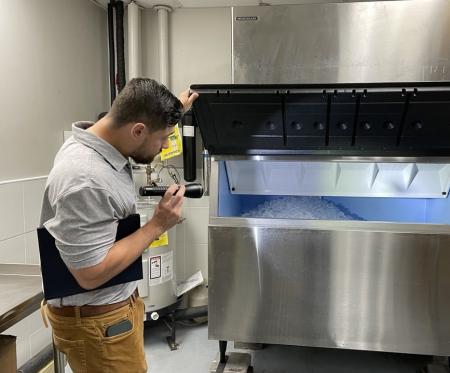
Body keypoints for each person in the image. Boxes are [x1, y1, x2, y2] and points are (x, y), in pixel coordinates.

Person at [39, 78, 198, 372]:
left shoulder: (99, 141)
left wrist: (175, 110)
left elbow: (142, 116)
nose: (164, 146)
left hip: (109, 313)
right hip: (99, 324)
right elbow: (90, 273)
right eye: (162, 138)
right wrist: (158, 225)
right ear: (138, 129)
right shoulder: (84, 178)